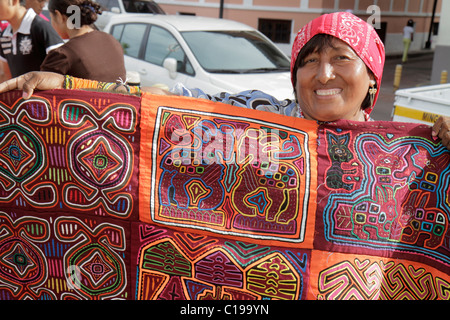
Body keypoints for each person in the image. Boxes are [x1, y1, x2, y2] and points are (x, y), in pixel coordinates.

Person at [0, 12, 450, 149]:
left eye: (341, 59)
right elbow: (166, 99)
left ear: (373, 79)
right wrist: (70, 90)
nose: (323, 73)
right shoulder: (258, 116)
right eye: (309, 61)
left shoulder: (402, 153)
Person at [40, 0, 126, 82]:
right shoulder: (112, 41)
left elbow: (40, 91)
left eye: (51, 17)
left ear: (59, 17)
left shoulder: (62, 55)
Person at [0, 0, 63, 79]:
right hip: (19, 91)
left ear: (14, 1)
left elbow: (62, 67)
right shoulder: (4, 35)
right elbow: (6, 75)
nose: (43, 5)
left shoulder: (41, 27)